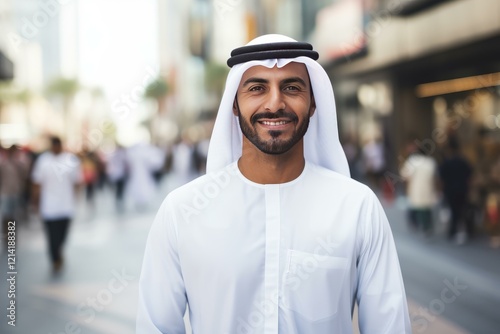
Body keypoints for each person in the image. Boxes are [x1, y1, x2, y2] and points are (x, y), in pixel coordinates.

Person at [136, 34, 411, 333]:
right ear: (234, 105)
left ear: (314, 103)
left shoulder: (357, 207)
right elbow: (156, 326)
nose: (275, 103)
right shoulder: (182, 211)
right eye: (257, 88)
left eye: (292, 88)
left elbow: (390, 325)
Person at [31, 136, 82, 273]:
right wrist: (35, 201)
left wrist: (76, 198)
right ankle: (55, 259)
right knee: (51, 236)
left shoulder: (70, 160)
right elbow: (37, 183)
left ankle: (58, 253)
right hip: (48, 206)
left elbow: (77, 182)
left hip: (66, 206)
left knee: (62, 236)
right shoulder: (43, 161)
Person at [438, 138, 473, 244]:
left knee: (454, 211)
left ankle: (454, 231)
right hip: (463, 189)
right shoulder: (463, 161)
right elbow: (470, 174)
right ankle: (463, 231)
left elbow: (441, 178)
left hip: (450, 190)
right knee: (462, 210)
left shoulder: (446, 162)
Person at [400, 145, 439, 237]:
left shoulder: (413, 161)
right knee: (426, 209)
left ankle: (416, 224)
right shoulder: (431, 162)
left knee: (416, 208)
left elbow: (405, 175)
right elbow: (435, 177)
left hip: (415, 189)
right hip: (428, 189)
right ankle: (427, 227)